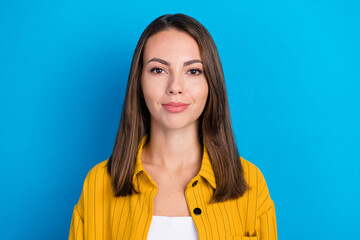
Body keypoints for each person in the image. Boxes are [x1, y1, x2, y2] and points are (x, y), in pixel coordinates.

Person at [69, 13, 277, 240]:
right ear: (139, 82)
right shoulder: (99, 183)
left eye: (193, 71)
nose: (175, 87)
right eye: (158, 70)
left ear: (211, 83)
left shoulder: (251, 183)